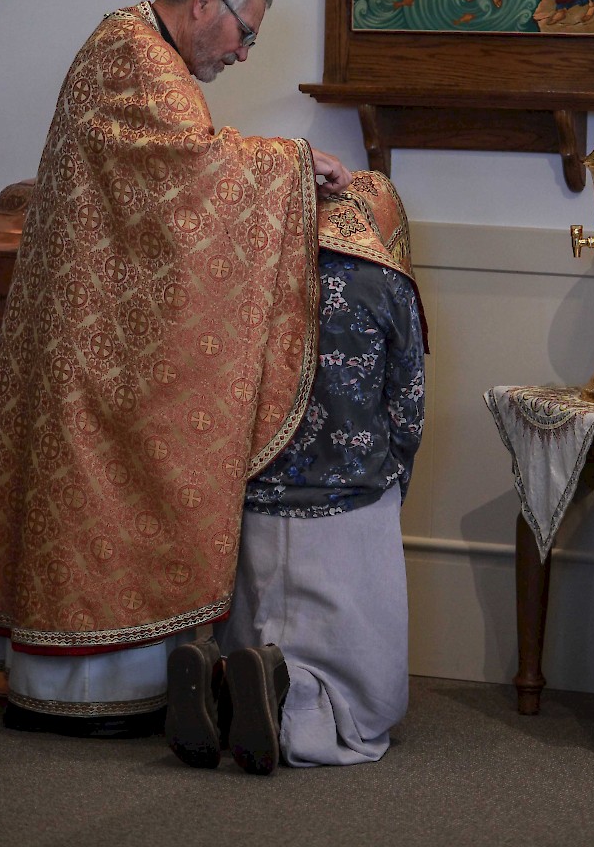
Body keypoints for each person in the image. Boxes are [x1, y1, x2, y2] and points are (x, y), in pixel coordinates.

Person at [0, 0, 351, 736]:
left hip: (92, 326)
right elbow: (191, 171)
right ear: (205, 0)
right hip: (96, 343)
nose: (242, 53)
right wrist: (298, 163)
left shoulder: (131, 47)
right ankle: (84, 694)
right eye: (245, 34)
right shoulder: (137, 59)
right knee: (111, 483)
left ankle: (105, 685)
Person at [165, 170, 426, 773]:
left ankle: (219, 680)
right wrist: (395, 481)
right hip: (351, 498)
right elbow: (406, 401)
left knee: (256, 619)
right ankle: (301, 700)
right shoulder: (387, 283)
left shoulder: (254, 271)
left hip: (255, 493)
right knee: (357, 673)